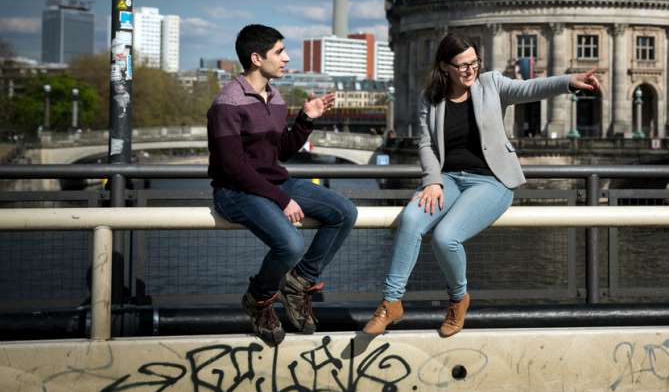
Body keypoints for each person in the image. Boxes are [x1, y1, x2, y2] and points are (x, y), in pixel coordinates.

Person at [363, 32, 601, 338]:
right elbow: (426, 145)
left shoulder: (491, 84)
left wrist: (568, 81)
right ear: (445, 66)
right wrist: (433, 181)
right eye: (462, 65)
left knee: (446, 237)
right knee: (410, 220)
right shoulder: (431, 97)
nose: (469, 70)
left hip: (491, 180)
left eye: (474, 63)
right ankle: (391, 303)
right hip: (448, 179)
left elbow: (530, 87)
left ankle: (458, 299)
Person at [207, 24, 358, 346]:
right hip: (235, 191)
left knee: (344, 211)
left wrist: (306, 119)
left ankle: (299, 282)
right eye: (280, 52)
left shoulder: (274, 97)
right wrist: (281, 199)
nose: (287, 58)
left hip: (272, 183)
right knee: (289, 244)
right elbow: (233, 167)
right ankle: (259, 301)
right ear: (257, 57)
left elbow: (280, 152)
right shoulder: (227, 103)